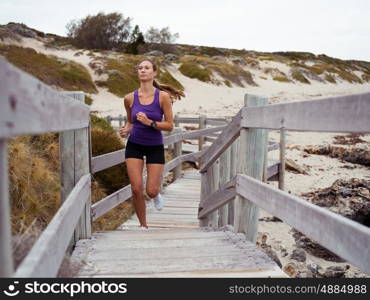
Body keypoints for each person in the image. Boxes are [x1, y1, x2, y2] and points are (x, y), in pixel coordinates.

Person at [119, 58, 185, 229]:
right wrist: (126, 129)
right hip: (134, 145)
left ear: (154, 72)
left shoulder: (163, 97)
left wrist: (150, 123)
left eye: (147, 68)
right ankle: (143, 225)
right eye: (140, 68)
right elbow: (130, 121)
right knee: (135, 187)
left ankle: (156, 195)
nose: (142, 70)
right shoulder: (129, 98)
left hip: (155, 146)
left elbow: (170, 125)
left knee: (151, 190)